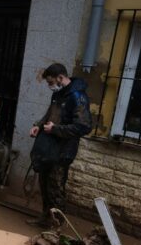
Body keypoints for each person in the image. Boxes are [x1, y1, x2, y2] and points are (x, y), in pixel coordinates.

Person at [27, 63, 92, 227]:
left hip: (63, 152)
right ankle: (45, 218)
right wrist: (38, 125)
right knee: (44, 185)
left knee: (56, 188)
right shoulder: (58, 95)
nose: (50, 86)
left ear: (61, 78)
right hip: (48, 148)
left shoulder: (77, 96)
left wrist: (55, 129)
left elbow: (83, 127)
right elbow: (50, 114)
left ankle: (56, 227)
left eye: (50, 82)